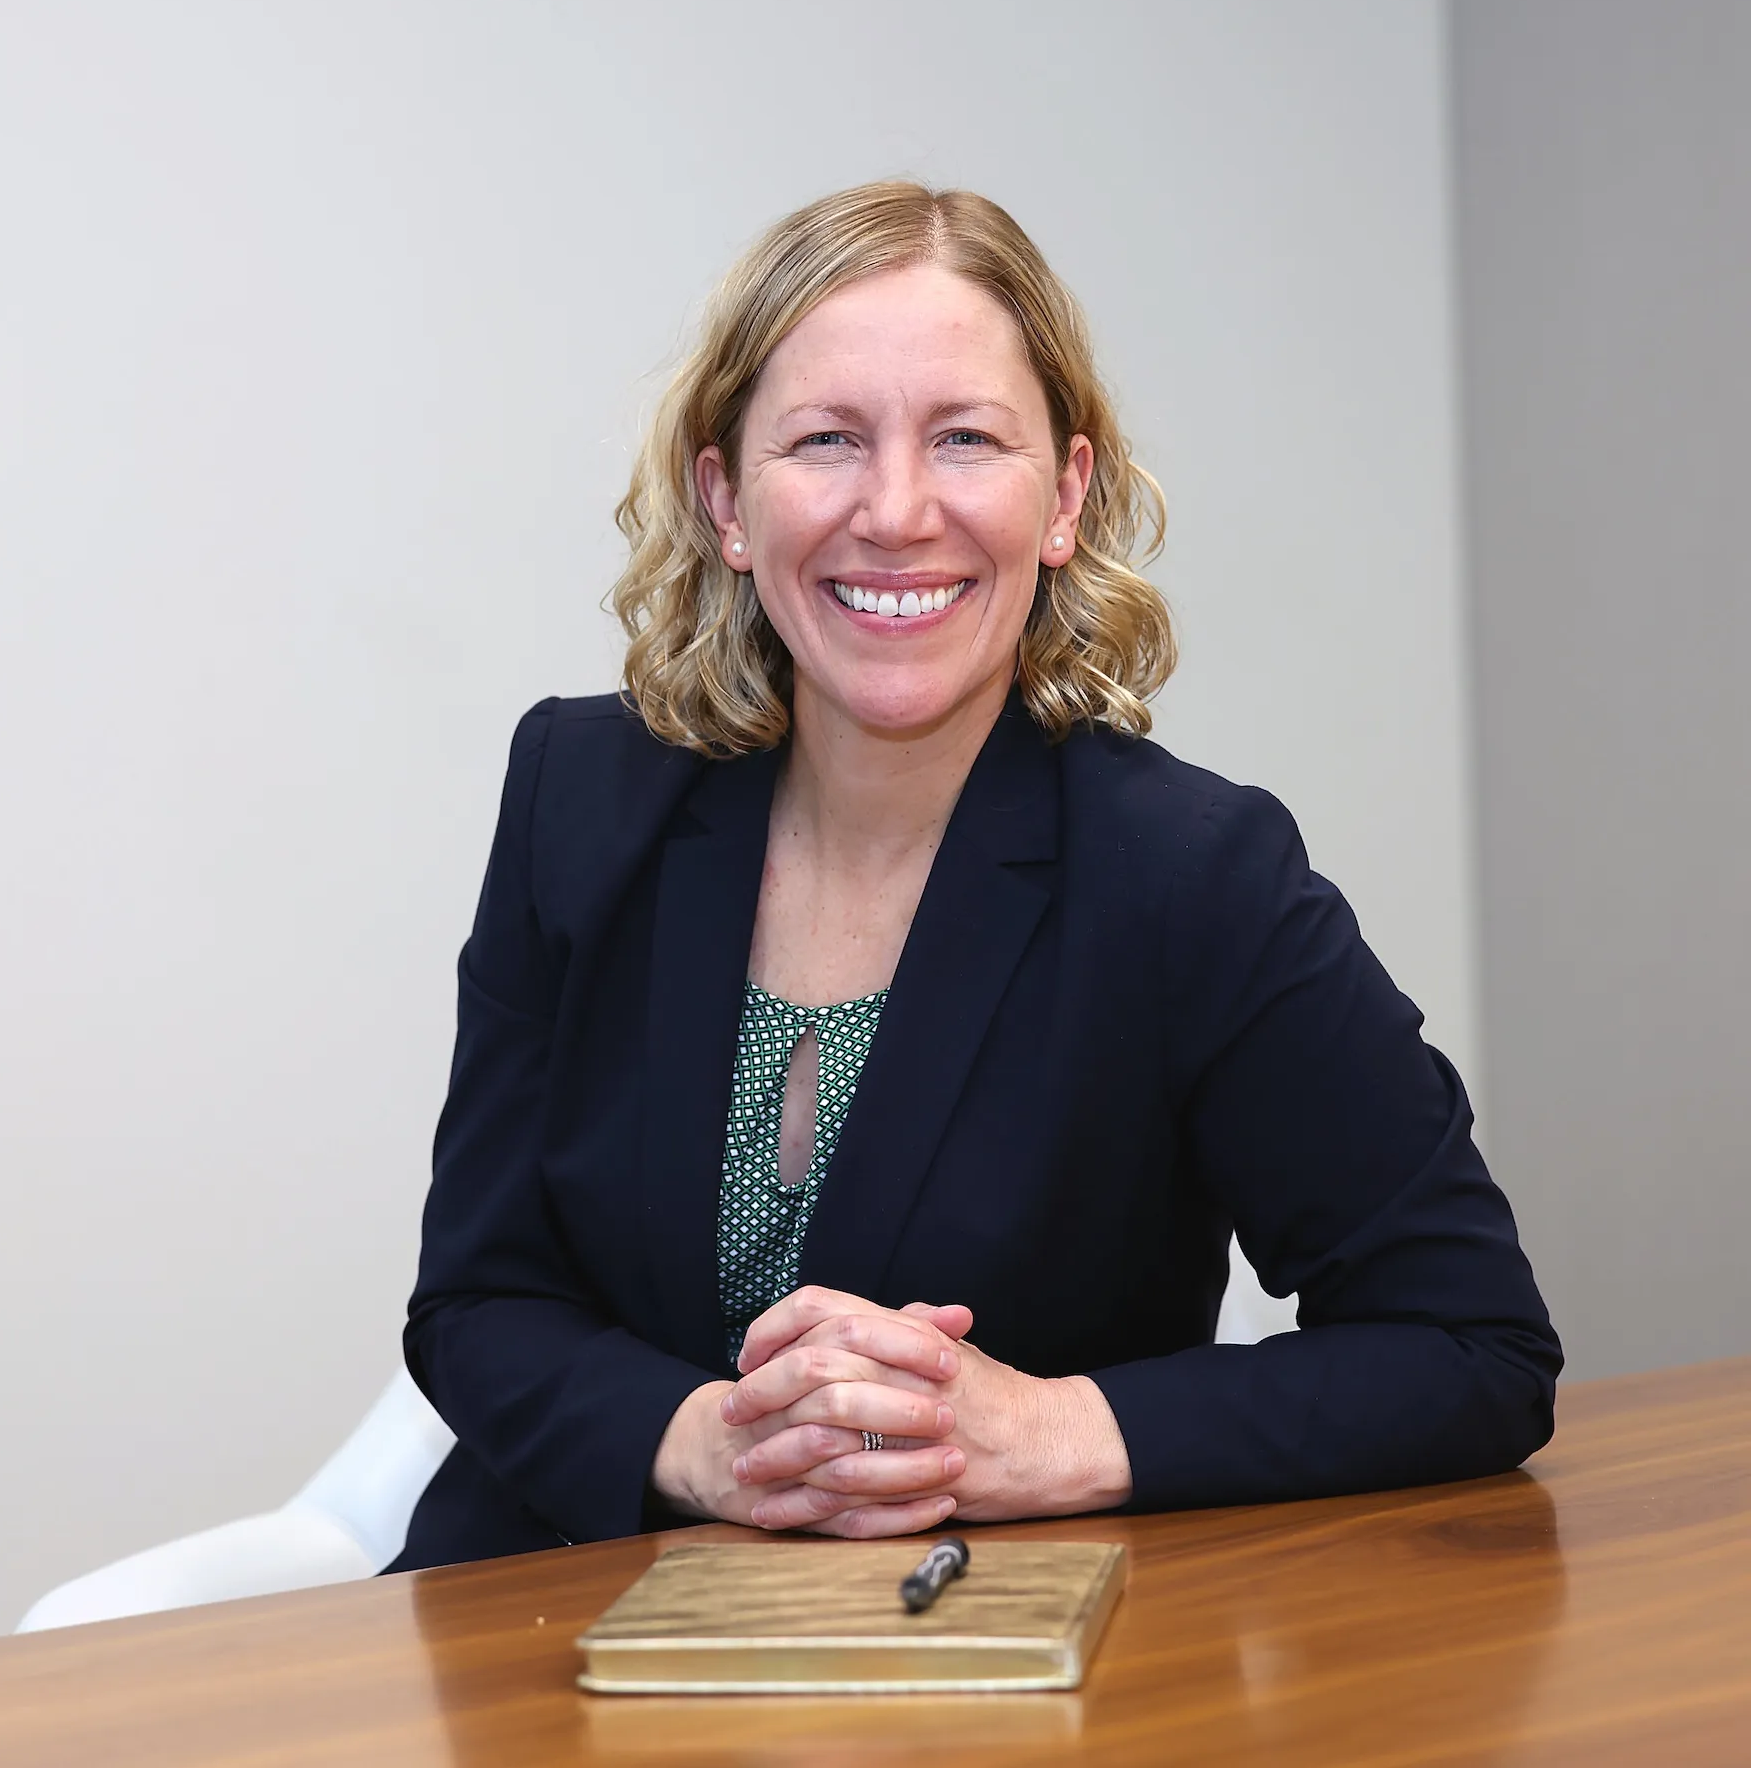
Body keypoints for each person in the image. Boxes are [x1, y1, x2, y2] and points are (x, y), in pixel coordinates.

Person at [389, 181, 1561, 1570]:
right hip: (552, 1620)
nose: (896, 512)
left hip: (974, 1650)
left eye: (964, 439)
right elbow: (478, 1300)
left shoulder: (1192, 875)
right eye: (826, 440)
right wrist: (709, 1441)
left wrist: (1048, 1434)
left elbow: (1470, 1344)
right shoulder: (579, 801)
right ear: (725, 502)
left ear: (1064, 494)